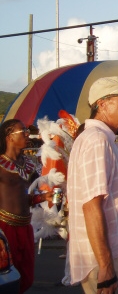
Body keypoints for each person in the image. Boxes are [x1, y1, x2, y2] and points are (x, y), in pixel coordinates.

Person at [67, 76, 118, 293]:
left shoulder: (99, 139)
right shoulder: (96, 140)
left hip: (112, 254)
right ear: (102, 104)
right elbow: (91, 206)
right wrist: (106, 266)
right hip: (110, 256)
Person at [0, 119, 53, 293]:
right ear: (9, 136)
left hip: (25, 226)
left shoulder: (29, 164)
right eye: (22, 130)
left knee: (25, 276)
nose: (26, 134)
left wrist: (43, 197)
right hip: (4, 227)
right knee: (7, 276)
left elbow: (27, 196)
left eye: (26, 130)